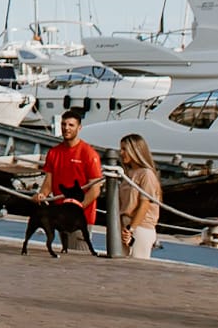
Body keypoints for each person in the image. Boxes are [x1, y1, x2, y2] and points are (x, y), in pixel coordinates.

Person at [34, 109, 103, 244]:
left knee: (78, 257)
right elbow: (48, 184)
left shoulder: (89, 154)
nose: (66, 128)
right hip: (60, 217)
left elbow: (95, 189)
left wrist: (77, 209)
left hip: (80, 218)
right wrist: (41, 195)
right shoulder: (54, 152)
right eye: (64, 124)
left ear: (79, 127)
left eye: (71, 125)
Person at [116, 133, 162, 258]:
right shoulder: (128, 174)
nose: (121, 153)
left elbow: (144, 204)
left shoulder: (146, 174)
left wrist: (131, 229)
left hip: (140, 227)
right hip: (125, 226)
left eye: (125, 149)